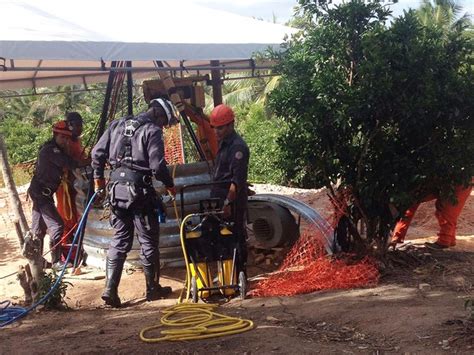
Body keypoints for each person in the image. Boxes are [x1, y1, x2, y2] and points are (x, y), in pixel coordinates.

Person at [91, 98, 178, 307]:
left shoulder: (117, 124)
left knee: (120, 239)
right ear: (158, 114)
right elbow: (157, 166)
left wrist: (98, 181)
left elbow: (96, 153)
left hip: (116, 192)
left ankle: (110, 290)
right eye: (164, 123)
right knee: (148, 241)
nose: (163, 127)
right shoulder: (151, 130)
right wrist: (170, 185)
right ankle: (152, 290)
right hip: (140, 193)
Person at [28, 121, 79, 269]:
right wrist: (90, 161)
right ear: (55, 135)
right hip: (42, 193)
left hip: (41, 192)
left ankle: (37, 261)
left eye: (67, 138)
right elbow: (71, 164)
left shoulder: (54, 149)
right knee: (57, 225)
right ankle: (56, 261)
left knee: (38, 229)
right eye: (63, 137)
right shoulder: (51, 151)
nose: (65, 141)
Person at [209, 104, 250, 273]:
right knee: (220, 237)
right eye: (215, 128)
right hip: (220, 198)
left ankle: (239, 274)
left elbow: (237, 181)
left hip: (231, 200)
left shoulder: (237, 147)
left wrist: (227, 203)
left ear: (231, 125)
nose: (217, 132)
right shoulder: (224, 144)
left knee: (235, 235)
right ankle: (227, 275)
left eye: (220, 128)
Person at [391, 183, 472, 249]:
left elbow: (408, 212)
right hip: (444, 182)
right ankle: (450, 239)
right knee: (441, 208)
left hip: (459, 182)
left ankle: (444, 241)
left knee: (448, 211)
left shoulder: (412, 189)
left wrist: (397, 238)